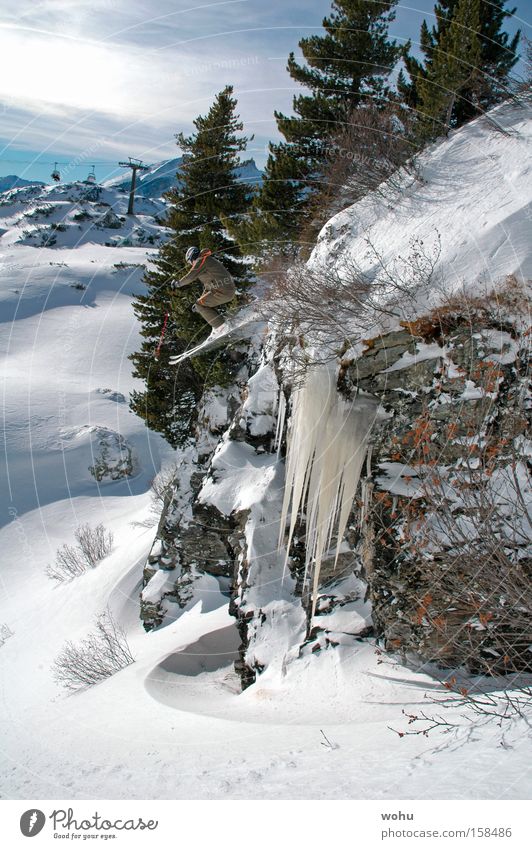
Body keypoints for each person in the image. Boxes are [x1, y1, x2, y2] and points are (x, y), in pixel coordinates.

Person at [172, 246, 236, 331]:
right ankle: (223, 325)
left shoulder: (202, 260)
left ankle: (222, 328)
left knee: (200, 305)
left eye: (190, 262)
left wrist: (177, 284)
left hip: (223, 290)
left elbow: (190, 276)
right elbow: (208, 287)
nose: (191, 265)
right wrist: (199, 302)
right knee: (201, 305)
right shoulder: (206, 261)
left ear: (192, 257)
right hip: (225, 290)